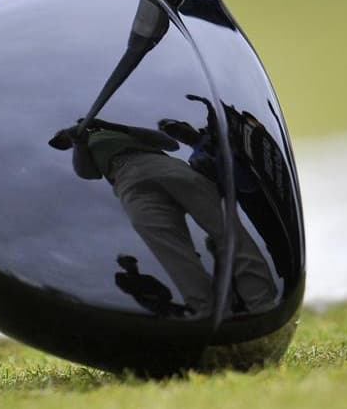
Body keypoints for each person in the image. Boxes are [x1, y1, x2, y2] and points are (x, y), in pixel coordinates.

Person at [50, 118, 275, 315]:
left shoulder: (117, 132)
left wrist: (109, 126)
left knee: (225, 229)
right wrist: (79, 142)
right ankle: (207, 311)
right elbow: (87, 173)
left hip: (161, 163)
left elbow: (169, 144)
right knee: (169, 247)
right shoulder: (83, 150)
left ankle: (261, 304)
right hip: (124, 179)